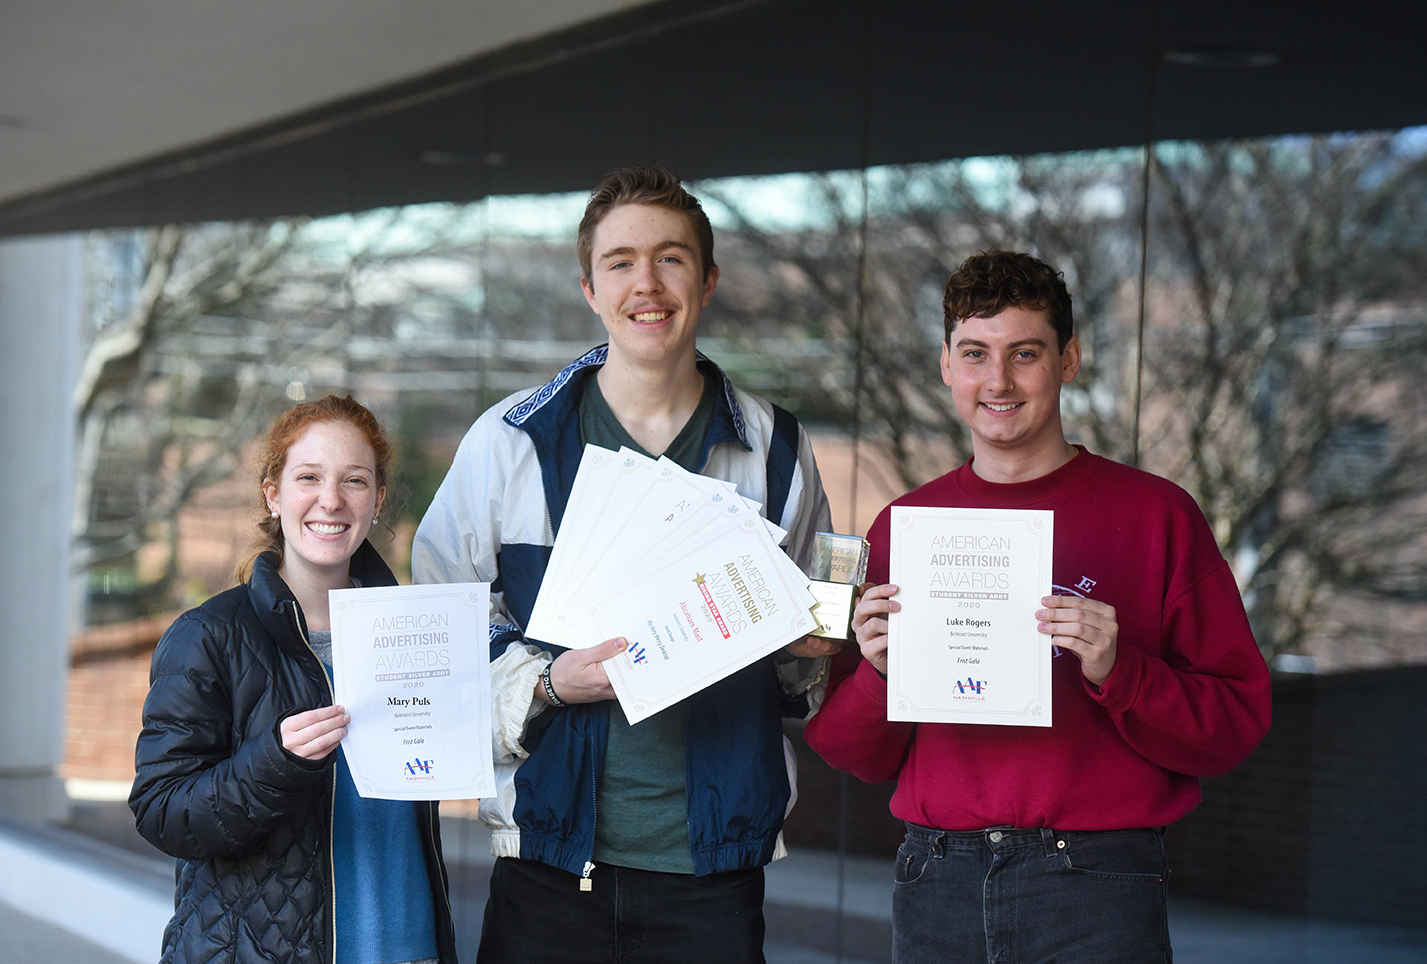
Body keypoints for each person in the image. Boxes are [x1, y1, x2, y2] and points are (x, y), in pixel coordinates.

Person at [412, 164, 835, 964]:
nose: (648, 283)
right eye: (621, 262)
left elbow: (801, 674)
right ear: (589, 288)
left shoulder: (777, 450)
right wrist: (546, 682)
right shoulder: (509, 444)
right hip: (548, 864)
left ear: (707, 282)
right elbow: (438, 634)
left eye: (672, 258)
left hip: (714, 869)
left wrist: (807, 648)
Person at [803, 249, 1273, 963]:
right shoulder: (904, 528)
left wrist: (1123, 670)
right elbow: (848, 751)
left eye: (1025, 353)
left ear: (1069, 359)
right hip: (936, 879)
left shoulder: (1156, 517)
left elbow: (1233, 726)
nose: (998, 381)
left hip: (1097, 883)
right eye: (975, 354)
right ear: (945, 365)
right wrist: (880, 675)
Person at [130, 394, 458, 964]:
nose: (330, 500)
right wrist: (273, 763)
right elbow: (163, 811)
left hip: (410, 949)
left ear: (377, 500)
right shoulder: (208, 636)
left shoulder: (417, 632)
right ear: (272, 494)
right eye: (308, 476)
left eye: (354, 481)